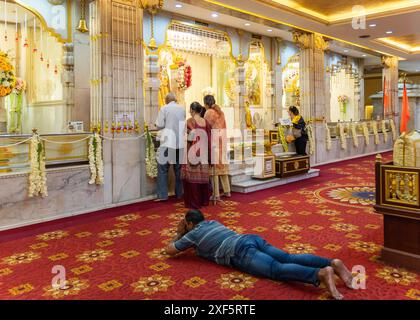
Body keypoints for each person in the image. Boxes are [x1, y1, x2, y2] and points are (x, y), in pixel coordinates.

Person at [164, 209, 354, 300]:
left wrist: (180, 232)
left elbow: (170, 250)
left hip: (239, 252)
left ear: (190, 223)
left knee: (276, 269)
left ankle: (319, 274)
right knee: (287, 257)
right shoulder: (212, 223)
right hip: (250, 238)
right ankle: (332, 262)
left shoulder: (193, 234)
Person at [155, 93, 186, 201]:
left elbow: (159, 124)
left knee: (163, 169)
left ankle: (163, 195)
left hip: (167, 142)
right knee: (178, 169)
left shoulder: (164, 108)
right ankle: (179, 194)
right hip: (179, 143)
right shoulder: (182, 109)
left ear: (166, 100)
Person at [181, 102, 212, 209]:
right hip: (203, 153)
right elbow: (209, 139)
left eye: (190, 110)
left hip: (192, 153)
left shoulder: (190, 122)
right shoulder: (206, 122)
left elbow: (186, 138)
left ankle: (194, 203)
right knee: (202, 177)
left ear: (192, 111)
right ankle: (204, 200)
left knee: (192, 179)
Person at [203, 95, 231, 203]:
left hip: (214, 141)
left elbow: (205, 127)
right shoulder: (220, 112)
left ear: (206, 103)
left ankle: (216, 194)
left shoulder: (209, 112)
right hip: (222, 141)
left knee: (214, 168)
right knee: (222, 166)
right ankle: (227, 190)